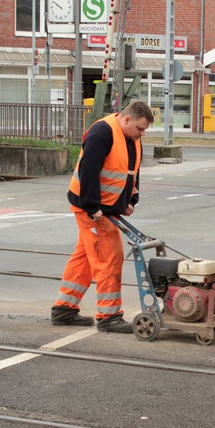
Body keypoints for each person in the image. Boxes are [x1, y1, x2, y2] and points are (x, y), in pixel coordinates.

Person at [51, 101, 154, 333]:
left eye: (145, 130)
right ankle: (109, 317)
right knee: (110, 257)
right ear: (126, 119)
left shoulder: (132, 140)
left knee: (86, 258)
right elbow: (88, 171)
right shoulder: (102, 132)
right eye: (140, 128)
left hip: (107, 209)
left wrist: (130, 201)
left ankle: (64, 310)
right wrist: (92, 207)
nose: (142, 134)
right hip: (93, 211)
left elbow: (131, 174)